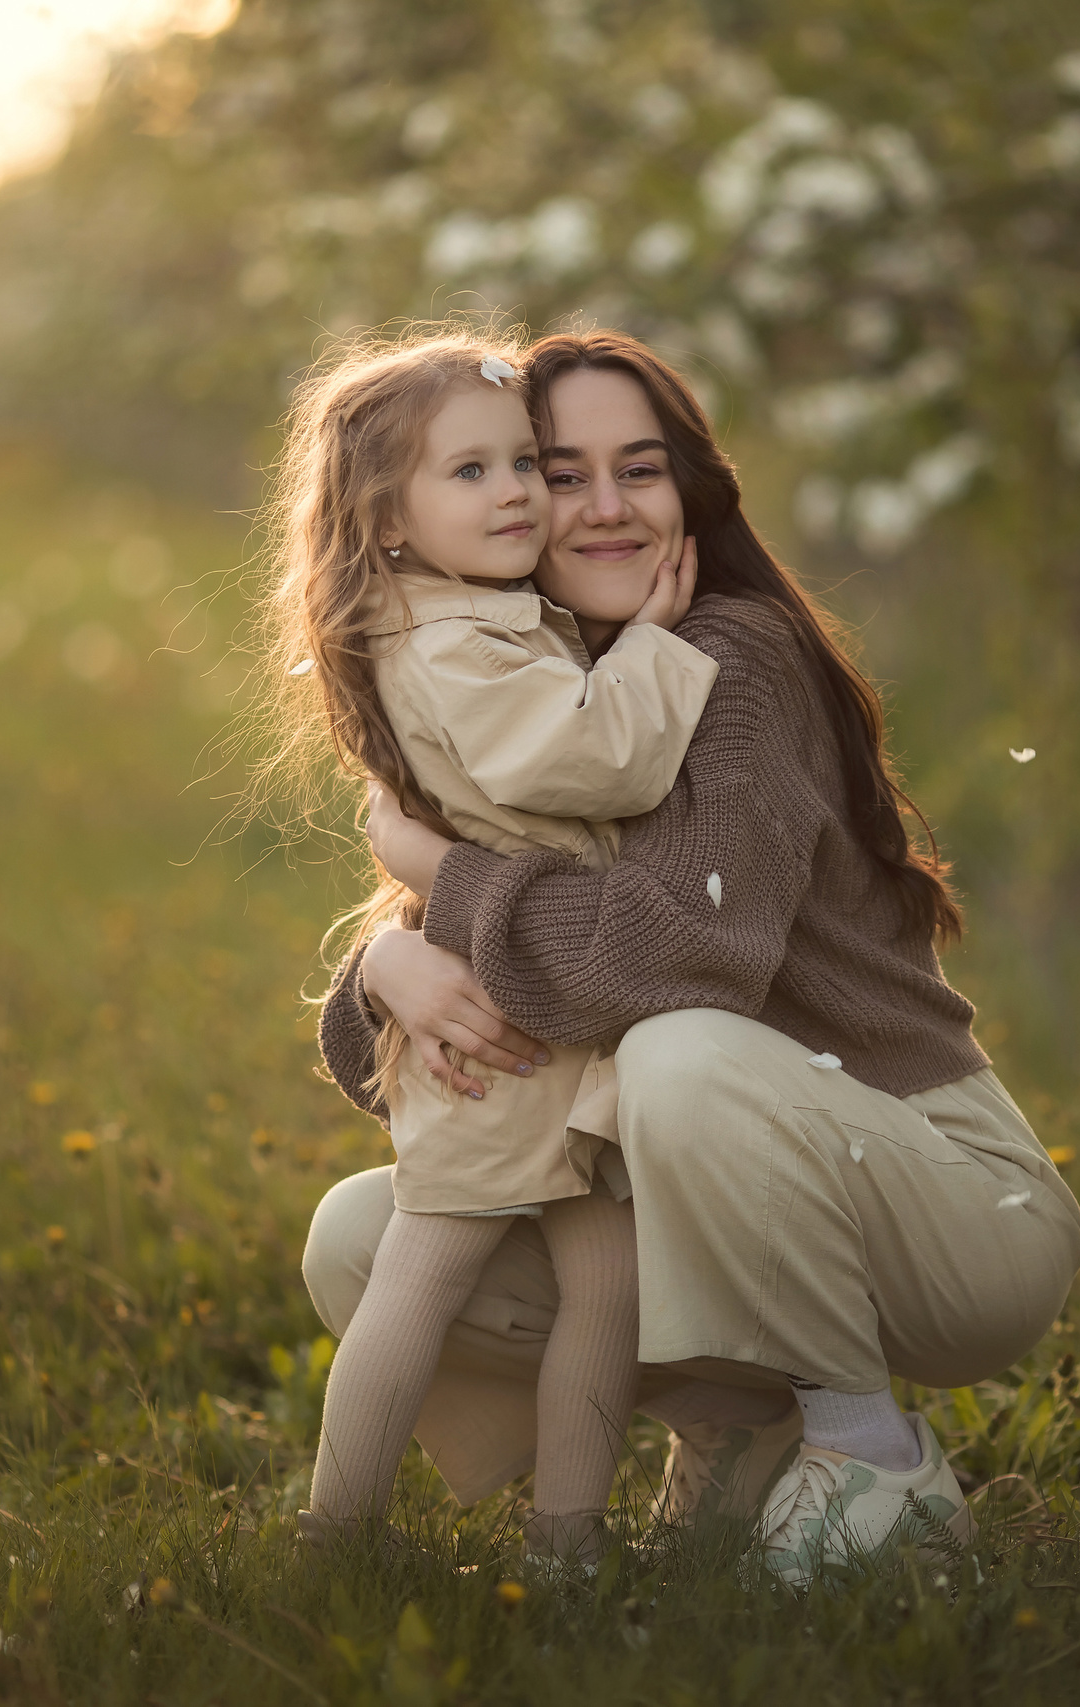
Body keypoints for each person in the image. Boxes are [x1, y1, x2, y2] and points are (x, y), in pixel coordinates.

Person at [303, 329, 1080, 1584]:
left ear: (692, 492)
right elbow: (408, 1056)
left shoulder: (725, 659)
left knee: (675, 1054)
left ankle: (869, 1452)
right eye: (557, 470)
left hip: (952, 1204)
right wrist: (381, 968)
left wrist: (444, 879)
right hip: (742, 1177)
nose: (599, 507)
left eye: (640, 469)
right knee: (366, 1235)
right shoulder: (524, 674)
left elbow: (674, 958)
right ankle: (738, 1426)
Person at [251, 328, 719, 1569]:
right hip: (511, 1021)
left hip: (552, 1009)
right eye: (469, 472)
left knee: (596, 1289)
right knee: (426, 1275)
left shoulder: (466, 620)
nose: (515, 493)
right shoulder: (458, 645)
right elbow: (594, 761)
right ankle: (341, 1536)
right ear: (386, 520)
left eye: (523, 463)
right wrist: (656, 649)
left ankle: (560, 1544)